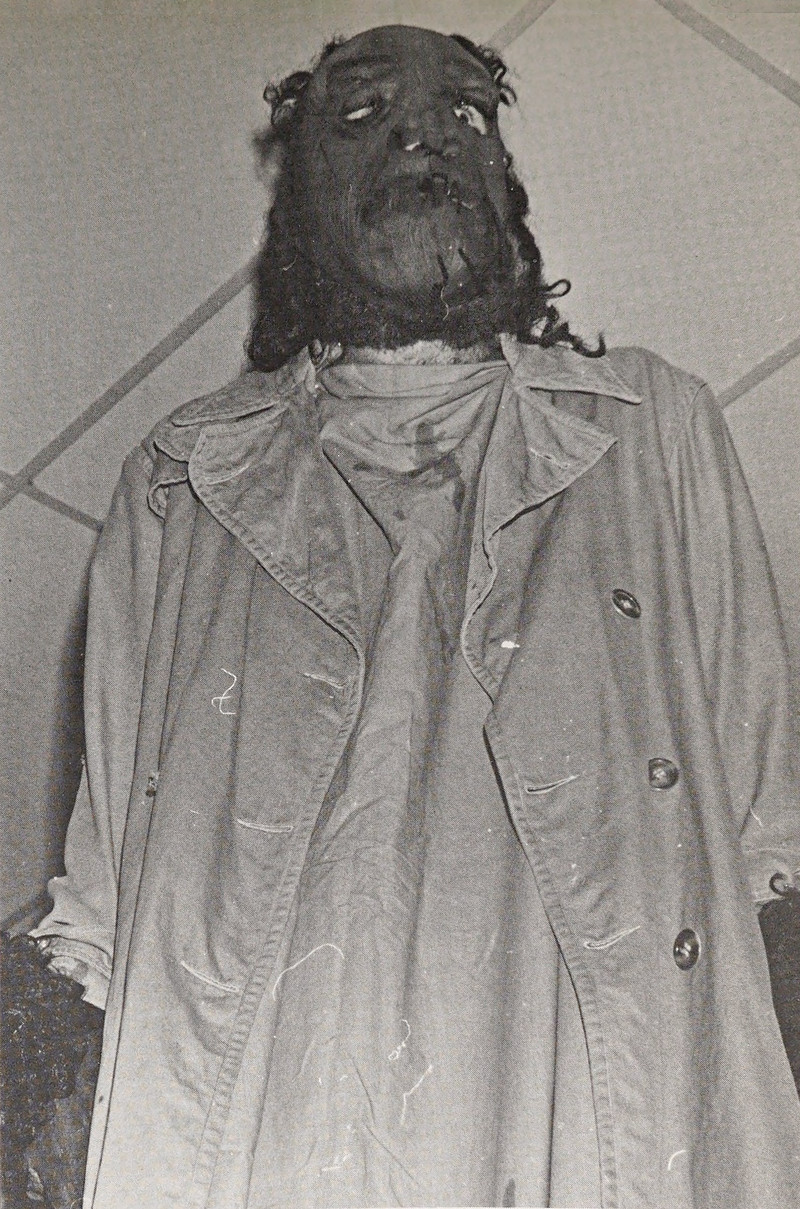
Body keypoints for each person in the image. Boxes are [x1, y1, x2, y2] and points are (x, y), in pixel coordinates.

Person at [6, 23, 800, 1209]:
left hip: (606, 1115)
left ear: (506, 193)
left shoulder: (649, 429)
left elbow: (765, 837)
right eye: (362, 112)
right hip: (267, 1119)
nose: (425, 132)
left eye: (466, 112)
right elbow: (105, 893)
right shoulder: (181, 477)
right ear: (298, 204)